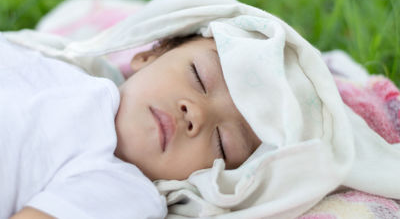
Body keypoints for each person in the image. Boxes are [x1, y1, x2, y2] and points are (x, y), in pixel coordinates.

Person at [0, 33, 261, 219]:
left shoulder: (123, 189)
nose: (196, 114)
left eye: (222, 142)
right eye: (199, 77)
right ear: (149, 55)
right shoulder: (51, 64)